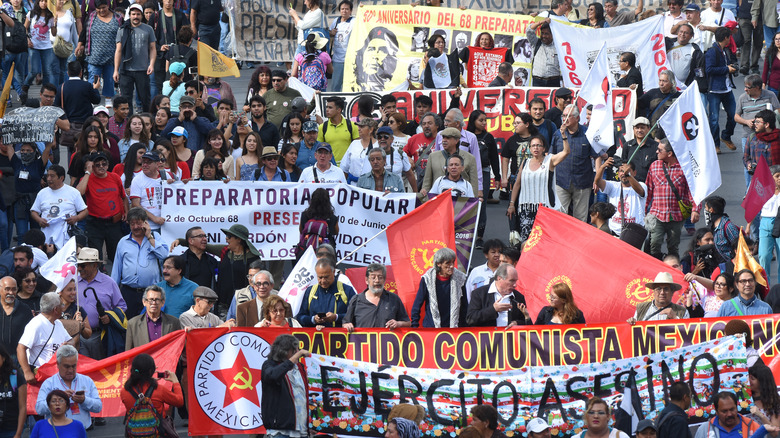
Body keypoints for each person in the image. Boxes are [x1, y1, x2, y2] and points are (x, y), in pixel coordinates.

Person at [507, 133, 570, 242]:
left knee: (543, 242)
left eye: (539, 145)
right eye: (533, 145)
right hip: (526, 209)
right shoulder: (525, 162)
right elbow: (517, 184)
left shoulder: (550, 160)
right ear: (530, 148)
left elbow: (566, 152)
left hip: (545, 209)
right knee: (526, 242)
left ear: (544, 148)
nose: (536, 148)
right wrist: (512, 204)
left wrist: (564, 136)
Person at [111, 207, 169, 318]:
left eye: (139, 223)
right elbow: (116, 269)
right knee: (128, 326)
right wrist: (114, 292)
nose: (136, 227)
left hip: (151, 293)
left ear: (145, 223)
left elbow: (164, 255)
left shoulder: (155, 237)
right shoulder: (123, 242)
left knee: (150, 326)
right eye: (132, 224)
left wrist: (149, 236)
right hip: (129, 292)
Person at [646, 139, 698, 259]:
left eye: (660, 150)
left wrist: (695, 209)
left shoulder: (684, 168)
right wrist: (643, 212)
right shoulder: (654, 166)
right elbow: (648, 190)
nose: (656, 151)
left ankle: (672, 269)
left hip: (676, 216)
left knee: (673, 246)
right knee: (655, 243)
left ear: (669, 154)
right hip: (657, 214)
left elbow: (693, 191)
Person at [552, 105, 605, 222]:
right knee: (559, 217)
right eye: (563, 116)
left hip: (582, 182)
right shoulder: (557, 134)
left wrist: (597, 178)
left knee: (579, 219)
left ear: (577, 118)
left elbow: (597, 157)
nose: (565, 119)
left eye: (568, 116)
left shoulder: (588, 134)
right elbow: (551, 158)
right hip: (561, 181)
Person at [76, 151, 127, 261]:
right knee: (95, 256)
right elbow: (78, 193)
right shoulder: (87, 178)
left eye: (104, 164)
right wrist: (87, 172)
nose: (101, 167)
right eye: (97, 165)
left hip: (114, 222)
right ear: (92, 166)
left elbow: (124, 197)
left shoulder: (115, 177)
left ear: (108, 165)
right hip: (95, 223)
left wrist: (126, 212)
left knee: (116, 255)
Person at [75, 248, 126, 357]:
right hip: (78, 336)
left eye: (83, 265)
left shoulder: (109, 282)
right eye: (78, 265)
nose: (79, 268)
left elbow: (122, 306)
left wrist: (109, 316)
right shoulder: (73, 283)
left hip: (100, 335)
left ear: (95, 265)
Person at [35, 345, 101, 428]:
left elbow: (98, 407)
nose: (70, 370)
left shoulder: (86, 380)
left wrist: (84, 400)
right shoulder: (49, 383)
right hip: (57, 432)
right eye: (66, 366)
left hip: (81, 432)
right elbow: (39, 409)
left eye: (73, 366)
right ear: (58, 364)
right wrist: (58, 399)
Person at [17, 292, 75, 384]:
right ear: (55, 309)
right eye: (62, 304)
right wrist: (27, 372)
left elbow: (70, 340)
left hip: (57, 373)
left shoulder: (58, 323)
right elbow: (21, 348)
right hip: (40, 374)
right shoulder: (36, 324)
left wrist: (67, 346)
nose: (63, 307)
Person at [261, 335, 310, 438]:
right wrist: (296, 356)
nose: (297, 352)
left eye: (298, 350)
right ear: (284, 351)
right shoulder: (269, 365)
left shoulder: (300, 367)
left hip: (302, 430)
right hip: (280, 431)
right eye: (295, 350)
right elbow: (273, 376)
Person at [30, 165, 88, 250]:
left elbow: (85, 211)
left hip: (66, 235)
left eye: (52, 176)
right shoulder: (42, 193)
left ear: (61, 178)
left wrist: (76, 218)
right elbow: (34, 212)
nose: (48, 179)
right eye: (47, 176)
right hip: (47, 234)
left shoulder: (73, 192)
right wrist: (39, 220)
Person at [120, 354, 182, 433]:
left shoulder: (124, 392)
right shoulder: (159, 390)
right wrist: (176, 382)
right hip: (157, 433)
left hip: (135, 433)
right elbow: (179, 401)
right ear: (151, 371)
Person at [113, 3, 155, 116]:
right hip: (126, 70)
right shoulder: (122, 30)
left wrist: (151, 64)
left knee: (145, 99)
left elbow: (152, 48)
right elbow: (118, 51)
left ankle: (148, 122)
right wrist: (116, 70)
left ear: (141, 15)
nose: (135, 16)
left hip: (143, 70)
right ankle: (129, 124)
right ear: (129, 15)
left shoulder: (148, 29)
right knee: (126, 101)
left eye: (138, 14)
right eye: (133, 14)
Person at [737, 79, 780, 185]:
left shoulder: (778, 138)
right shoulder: (752, 138)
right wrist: (748, 164)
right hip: (758, 181)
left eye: (758, 122)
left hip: (776, 182)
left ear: (767, 124)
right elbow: (746, 157)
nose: (755, 124)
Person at [342, 264, 409, 331]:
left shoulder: (394, 299)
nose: (377, 281)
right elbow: (345, 323)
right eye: (373, 277)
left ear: (384, 280)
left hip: (387, 341)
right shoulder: (356, 300)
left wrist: (398, 323)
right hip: (363, 341)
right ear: (366, 280)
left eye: (380, 277)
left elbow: (408, 323)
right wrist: (347, 325)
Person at [410, 248, 467, 328]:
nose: (451, 266)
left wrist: (464, 328)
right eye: (447, 263)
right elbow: (417, 305)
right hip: (431, 329)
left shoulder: (460, 279)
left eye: (453, 262)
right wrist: (414, 328)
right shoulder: (427, 279)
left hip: (454, 329)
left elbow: (464, 306)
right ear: (438, 264)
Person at [296, 258, 356, 328]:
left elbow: (356, 314)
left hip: (340, 337)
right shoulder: (310, 291)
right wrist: (313, 319)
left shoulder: (347, 290)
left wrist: (336, 317)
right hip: (316, 337)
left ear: (333, 272)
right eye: (320, 277)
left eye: (326, 277)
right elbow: (300, 317)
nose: (323, 281)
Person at [705, 27, 738, 152]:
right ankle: (715, 144)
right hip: (714, 90)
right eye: (729, 37)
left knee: (734, 115)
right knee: (714, 119)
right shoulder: (712, 52)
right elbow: (709, 70)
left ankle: (726, 136)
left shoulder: (725, 51)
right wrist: (726, 69)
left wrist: (732, 67)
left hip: (727, 89)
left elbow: (727, 65)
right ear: (726, 38)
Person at [466, 264, 531, 327]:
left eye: (515, 281)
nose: (515, 285)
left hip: (510, 337)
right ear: (499, 278)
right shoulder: (479, 293)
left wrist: (517, 323)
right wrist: (493, 309)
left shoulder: (518, 297)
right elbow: (470, 319)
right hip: (488, 337)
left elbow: (525, 321)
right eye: (511, 281)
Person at [421, 127, 479, 198]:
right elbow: (427, 181)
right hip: (439, 202)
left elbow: (474, 184)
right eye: (443, 138)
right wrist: (424, 192)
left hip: (461, 203)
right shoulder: (433, 156)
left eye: (448, 138)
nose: (444, 141)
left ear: (456, 140)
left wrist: (473, 203)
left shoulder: (470, 158)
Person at [595, 159, 647, 235]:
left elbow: (640, 191)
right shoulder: (613, 186)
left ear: (634, 173)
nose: (623, 174)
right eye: (621, 171)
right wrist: (602, 167)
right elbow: (598, 182)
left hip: (634, 233)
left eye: (626, 171)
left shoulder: (642, 185)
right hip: (615, 233)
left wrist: (628, 175)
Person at [125, 286, 182, 350]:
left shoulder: (174, 322)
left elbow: (178, 349)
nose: (154, 303)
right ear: (144, 302)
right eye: (151, 299)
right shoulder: (132, 324)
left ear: (162, 302)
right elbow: (128, 352)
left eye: (157, 300)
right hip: (143, 359)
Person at [350, 26, 400, 92]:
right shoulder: (353, 86)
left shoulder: (397, 88)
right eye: (371, 49)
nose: (375, 55)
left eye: (382, 50)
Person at [56, 61, 102, 129]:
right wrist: (95, 88)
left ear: (68, 73)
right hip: (85, 124)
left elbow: (56, 106)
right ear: (81, 72)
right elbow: (97, 100)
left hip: (68, 125)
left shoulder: (61, 87)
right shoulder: (87, 86)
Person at [694, 392, 760, 438]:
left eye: (732, 409)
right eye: (724, 411)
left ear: (737, 408)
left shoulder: (753, 426)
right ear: (716, 412)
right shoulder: (704, 430)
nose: (729, 414)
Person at [129, 151, 165, 232]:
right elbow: (135, 205)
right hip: (148, 227)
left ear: (157, 164)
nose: (145, 165)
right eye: (143, 162)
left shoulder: (166, 176)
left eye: (149, 162)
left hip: (166, 226)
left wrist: (185, 183)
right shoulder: (137, 180)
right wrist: (154, 218)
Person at [0, 276, 33, 361]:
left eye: (14, 289)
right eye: (7, 289)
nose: (11, 292)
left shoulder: (25, 310)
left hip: (17, 359)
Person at [666, 23, 706, 93]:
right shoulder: (667, 45)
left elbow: (699, 70)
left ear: (691, 36)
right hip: (667, 87)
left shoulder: (695, 50)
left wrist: (699, 87)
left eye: (686, 33)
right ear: (677, 32)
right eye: (681, 31)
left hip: (685, 89)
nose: (682, 34)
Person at [318, 96, 358, 163]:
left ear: (339, 110)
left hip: (348, 167)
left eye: (330, 107)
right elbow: (319, 149)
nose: (327, 110)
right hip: (329, 167)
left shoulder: (352, 126)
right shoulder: (322, 127)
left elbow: (357, 148)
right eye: (326, 107)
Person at [758, 165, 780, 281]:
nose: (779, 178)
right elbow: (752, 205)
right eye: (777, 176)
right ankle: (764, 286)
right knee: (764, 256)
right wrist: (748, 225)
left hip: (779, 223)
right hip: (765, 223)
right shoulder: (762, 189)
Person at [327, 0, 353, 92]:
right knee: (335, 86)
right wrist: (331, 33)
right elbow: (329, 33)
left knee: (350, 86)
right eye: (342, 9)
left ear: (351, 11)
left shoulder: (354, 21)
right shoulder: (336, 21)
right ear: (339, 10)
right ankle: (334, 103)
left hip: (351, 59)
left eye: (347, 9)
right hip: (337, 59)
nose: (344, 11)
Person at [526, 20, 560, 87]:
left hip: (554, 82)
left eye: (546, 34)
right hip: (538, 82)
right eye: (542, 33)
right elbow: (529, 31)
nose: (543, 36)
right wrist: (540, 22)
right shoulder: (536, 43)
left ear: (552, 34)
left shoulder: (558, 46)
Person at [342, 118, 377, 183]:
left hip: (372, 185)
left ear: (371, 129)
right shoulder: (354, 143)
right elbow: (344, 167)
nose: (358, 129)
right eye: (358, 126)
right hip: (353, 185)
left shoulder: (378, 146)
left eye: (362, 127)